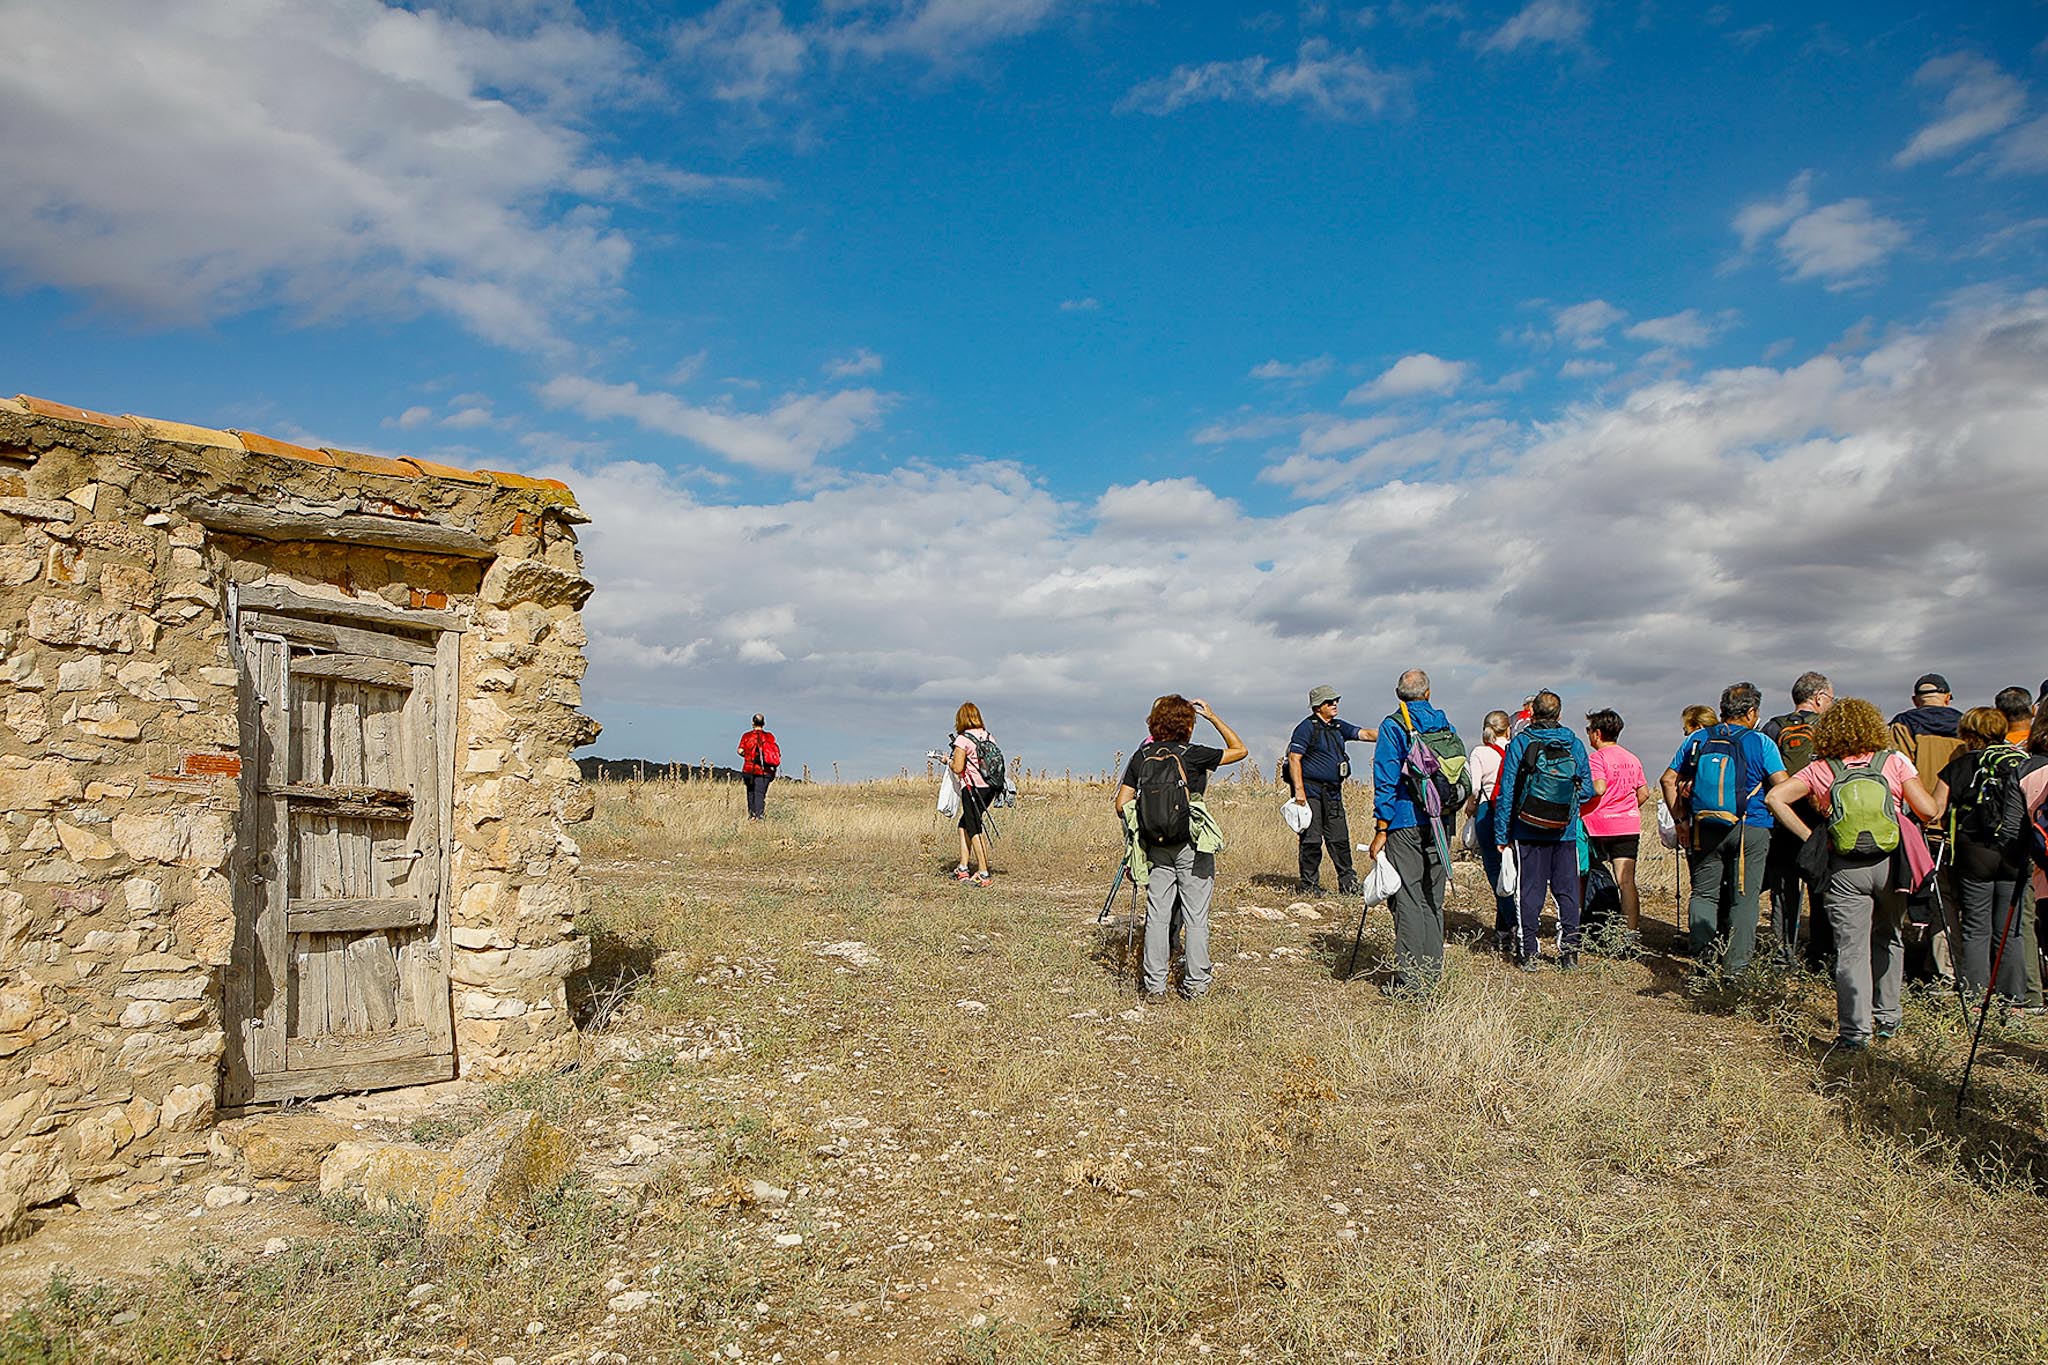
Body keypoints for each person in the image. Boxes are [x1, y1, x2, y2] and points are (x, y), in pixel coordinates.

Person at [1765, 698, 1939, 1050]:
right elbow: (1928, 810)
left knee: (1851, 950)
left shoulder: (1822, 768)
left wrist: (1811, 837)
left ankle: (1855, 1033)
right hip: (1891, 864)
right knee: (1889, 936)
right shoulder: (1894, 761)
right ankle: (1888, 1016)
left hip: (1844, 866)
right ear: (1873, 726)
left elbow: (1776, 798)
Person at [1114, 695, 1247, 1000]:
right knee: (1196, 916)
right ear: (1188, 724)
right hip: (1192, 844)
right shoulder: (1193, 754)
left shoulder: (1141, 756)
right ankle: (1196, 986)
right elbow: (1240, 750)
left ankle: (1155, 986)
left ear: (1154, 722)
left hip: (1156, 846)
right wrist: (1213, 716)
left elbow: (1121, 805)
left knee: (1158, 916)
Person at [1660, 683, 1788, 976]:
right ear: (1752, 711)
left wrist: (1680, 821)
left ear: (1722, 709)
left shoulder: (1698, 739)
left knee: (1704, 894)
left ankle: (1704, 959)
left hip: (1704, 827)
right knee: (1744, 898)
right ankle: (1736, 968)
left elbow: (1668, 780)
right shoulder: (1761, 742)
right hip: (1750, 827)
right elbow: (1782, 784)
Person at [1926, 707, 2031, 1006]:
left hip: (1974, 855)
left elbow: (1934, 810)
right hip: (2014, 853)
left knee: (1976, 927)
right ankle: (2014, 1000)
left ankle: (1975, 997)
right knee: (2010, 930)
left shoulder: (1958, 767)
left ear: (1968, 734)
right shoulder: (2020, 764)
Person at [1369, 670, 1460, 993]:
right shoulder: (1445, 726)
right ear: (1429, 693)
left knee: (1408, 898)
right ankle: (1433, 975)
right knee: (1432, 899)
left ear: (1399, 695)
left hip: (1406, 821)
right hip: (1441, 822)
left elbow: (1386, 779)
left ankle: (1412, 981)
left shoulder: (1394, 726)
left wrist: (1382, 827)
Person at [1493, 689, 1595, 970]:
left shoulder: (1521, 742)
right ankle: (1570, 952)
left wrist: (1502, 835)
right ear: (1559, 715)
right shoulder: (1574, 743)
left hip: (1527, 829)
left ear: (1533, 714)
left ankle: (1528, 953)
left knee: (1530, 892)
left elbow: (1507, 792)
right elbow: (1586, 789)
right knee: (1567, 891)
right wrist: (1566, 809)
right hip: (1565, 831)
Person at [1762, 672, 1835, 969]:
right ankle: (1822, 956)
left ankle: (1783, 954)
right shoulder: (1829, 728)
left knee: (1784, 890)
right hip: (1820, 820)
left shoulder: (1774, 726)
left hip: (1782, 818)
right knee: (1822, 888)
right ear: (1818, 698)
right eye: (1831, 698)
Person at [1286, 685, 1378, 896]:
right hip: (1310, 792)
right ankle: (1310, 886)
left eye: (1335, 700)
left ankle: (1348, 884)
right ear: (1318, 706)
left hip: (1333, 792)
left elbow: (1364, 734)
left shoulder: (1337, 726)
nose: (1334, 704)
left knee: (1340, 839)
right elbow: (1294, 758)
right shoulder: (1306, 728)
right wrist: (1299, 792)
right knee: (1311, 840)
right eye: (1329, 702)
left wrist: (1393, 734)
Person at [1582, 708, 1653, 941]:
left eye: (1589, 730)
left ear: (1598, 733)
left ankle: (1589, 924)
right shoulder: (1631, 758)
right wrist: (1628, 809)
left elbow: (1598, 787)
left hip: (1597, 825)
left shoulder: (1596, 759)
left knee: (1589, 874)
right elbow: (1644, 792)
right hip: (1627, 826)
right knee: (1626, 881)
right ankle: (1631, 933)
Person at [1465, 710, 1516, 954]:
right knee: (1511, 870)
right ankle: (1503, 931)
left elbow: (1474, 788)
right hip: (1513, 813)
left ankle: (1514, 925)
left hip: (1488, 810)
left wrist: (1470, 806)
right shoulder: (1516, 749)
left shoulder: (1479, 752)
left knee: (1496, 872)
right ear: (1508, 729)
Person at [949, 702, 997, 886]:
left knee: (974, 828)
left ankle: (983, 873)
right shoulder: (988, 737)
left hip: (972, 788)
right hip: (990, 788)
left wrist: (948, 761)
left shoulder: (962, 739)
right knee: (964, 825)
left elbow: (958, 767)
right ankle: (963, 867)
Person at [737, 714, 779, 821]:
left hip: (748, 769)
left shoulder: (746, 736)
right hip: (764, 771)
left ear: (752, 722)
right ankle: (759, 817)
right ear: (763, 723)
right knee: (760, 794)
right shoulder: (769, 736)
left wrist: (747, 755)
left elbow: (740, 750)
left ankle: (752, 816)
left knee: (750, 792)